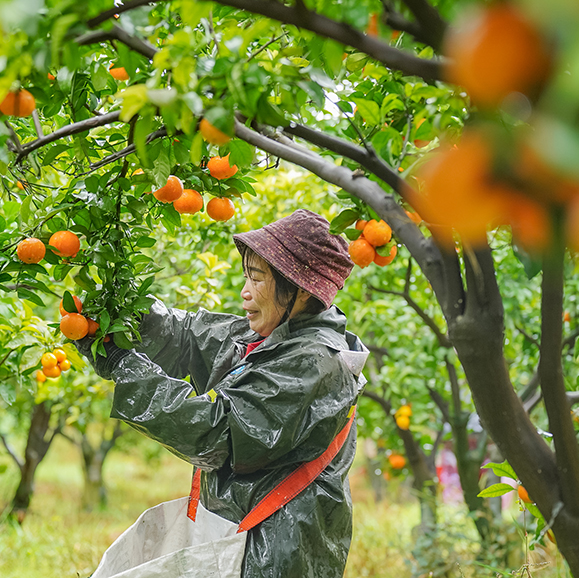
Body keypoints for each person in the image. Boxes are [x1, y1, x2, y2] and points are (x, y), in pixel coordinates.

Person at [77, 209, 369, 578]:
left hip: (273, 553)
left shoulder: (313, 363)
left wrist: (124, 366)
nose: (245, 293)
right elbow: (186, 335)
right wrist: (119, 314)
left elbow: (219, 434)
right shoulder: (270, 337)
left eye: (258, 279)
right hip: (236, 536)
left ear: (300, 289)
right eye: (247, 276)